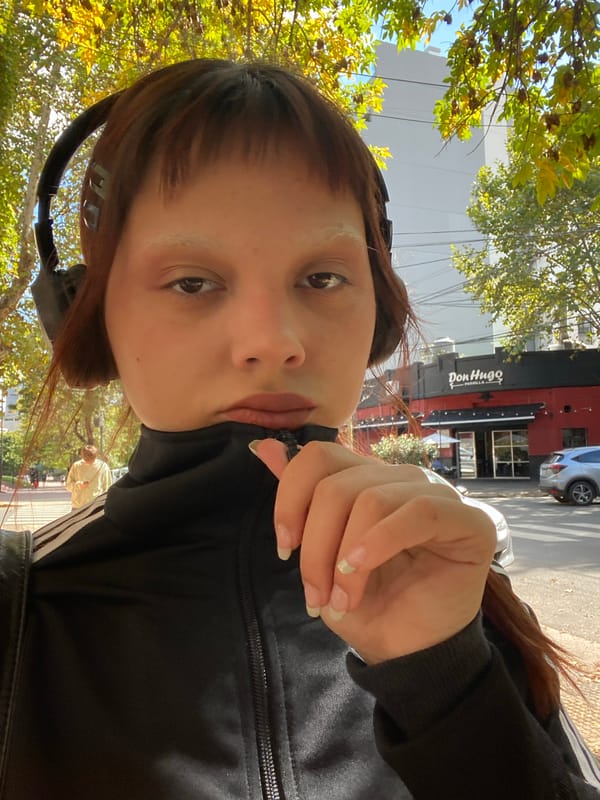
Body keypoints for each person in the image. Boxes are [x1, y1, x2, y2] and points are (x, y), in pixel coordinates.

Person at [4, 59, 599, 799]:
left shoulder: (455, 592)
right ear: (91, 315)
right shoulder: (19, 617)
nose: (274, 341)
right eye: (193, 282)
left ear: (376, 312)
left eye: (321, 278)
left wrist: (445, 680)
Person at [65, 444, 113, 508]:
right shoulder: (76, 466)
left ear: (95, 456)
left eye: (90, 458)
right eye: (85, 458)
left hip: (95, 506)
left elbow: (108, 488)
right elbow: (68, 486)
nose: (88, 460)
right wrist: (79, 485)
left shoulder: (103, 467)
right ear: (82, 456)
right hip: (77, 507)